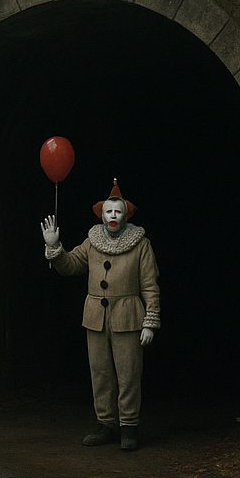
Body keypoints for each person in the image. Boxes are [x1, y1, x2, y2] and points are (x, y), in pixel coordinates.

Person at [41, 179, 160, 452]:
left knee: (129, 374)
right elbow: (71, 265)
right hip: (96, 317)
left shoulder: (141, 245)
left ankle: (129, 427)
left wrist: (150, 321)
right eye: (108, 212)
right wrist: (56, 249)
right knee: (101, 373)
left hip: (128, 316)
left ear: (127, 215)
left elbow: (150, 284)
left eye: (118, 211)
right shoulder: (92, 241)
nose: (113, 216)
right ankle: (107, 425)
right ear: (101, 215)